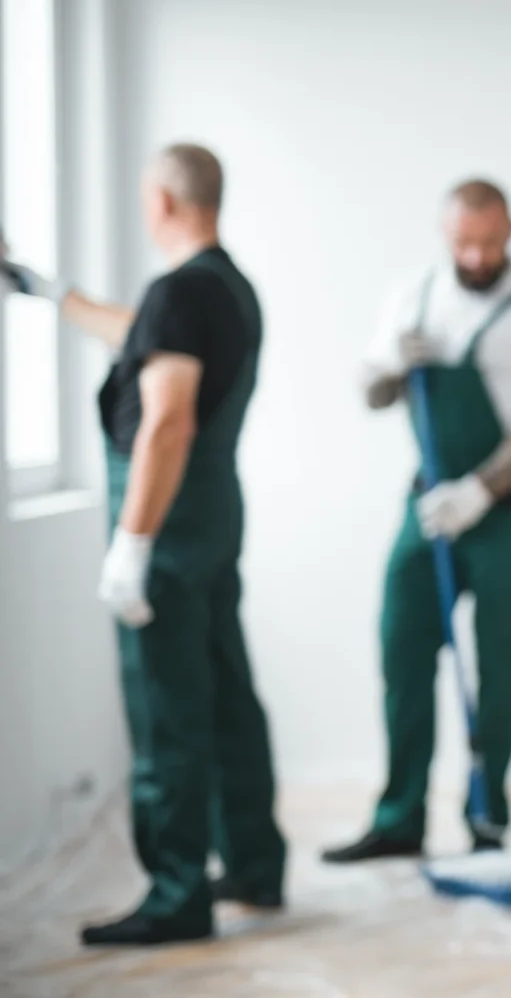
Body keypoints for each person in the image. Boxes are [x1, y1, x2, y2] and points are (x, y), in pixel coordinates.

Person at [7, 144, 287, 944]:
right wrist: (51, 294)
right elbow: (140, 336)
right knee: (228, 688)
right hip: (214, 512)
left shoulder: (177, 292)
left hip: (166, 517)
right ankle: (255, 864)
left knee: (167, 706)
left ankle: (176, 894)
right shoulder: (226, 287)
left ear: (160, 201)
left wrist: (131, 543)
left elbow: (167, 418)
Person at [323, 179, 511, 862]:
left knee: (497, 663)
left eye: (490, 242)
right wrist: (386, 364)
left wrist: (480, 492)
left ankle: (488, 819)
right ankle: (399, 818)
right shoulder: (414, 295)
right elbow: (375, 393)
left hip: (507, 509)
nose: (476, 256)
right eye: (464, 242)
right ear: (445, 234)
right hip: (430, 501)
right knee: (402, 648)